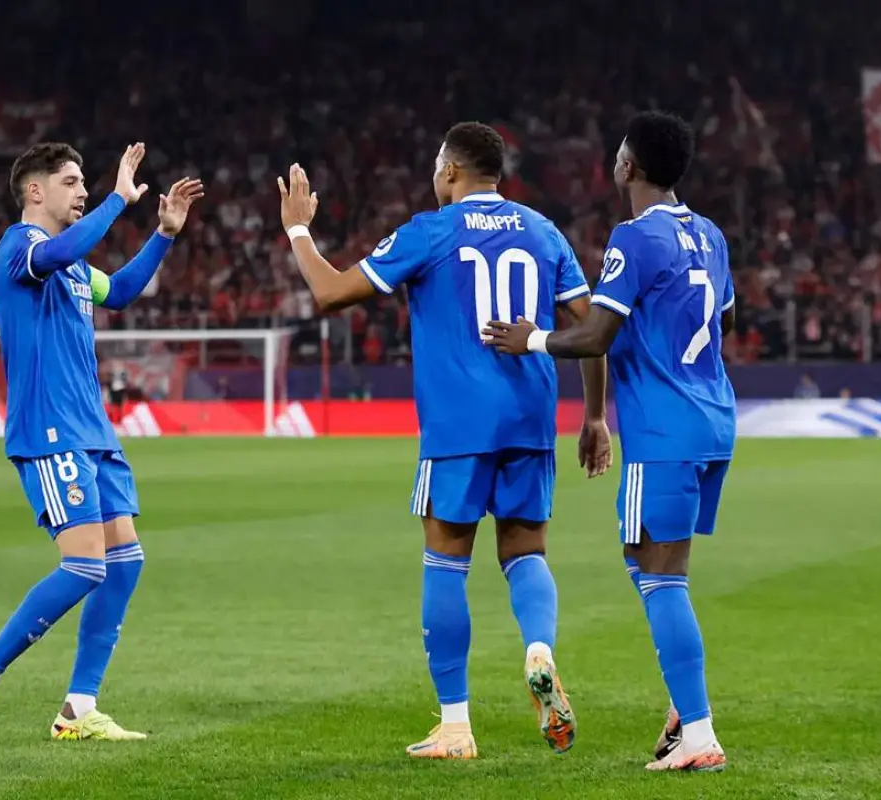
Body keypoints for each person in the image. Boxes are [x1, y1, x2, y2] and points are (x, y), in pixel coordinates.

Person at [276, 121, 612, 760]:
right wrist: (594, 418)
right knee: (525, 554)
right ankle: (538, 648)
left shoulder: (429, 232)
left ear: (451, 171)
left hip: (458, 427)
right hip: (529, 420)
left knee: (445, 563)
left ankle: (455, 726)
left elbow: (328, 293)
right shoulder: (544, 232)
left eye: (436, 168)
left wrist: (297, 229)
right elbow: (591, 327)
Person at [484, 111, 734, 772]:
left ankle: (699, 733)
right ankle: (687, 705)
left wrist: (529, 338)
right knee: (648, 561)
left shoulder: (634, 236)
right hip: (714, 417)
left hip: (664, 427)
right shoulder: (710, 234)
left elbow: (595, 333)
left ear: (631, 165)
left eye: (621, 148)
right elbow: (723, 316)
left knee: (662, 580)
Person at [0, 141, 202, 744]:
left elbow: (122, 290)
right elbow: (62, 247)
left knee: (125, 563)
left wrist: (163, 234)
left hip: (95, 433)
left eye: (85, 181)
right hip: (50, 429)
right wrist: (118, 196)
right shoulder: (20, 248)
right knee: (85, 564)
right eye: (71, 181)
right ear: (36, 190)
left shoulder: (72, 268)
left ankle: (78, 709)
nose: (82, 188)